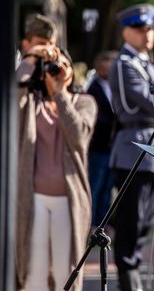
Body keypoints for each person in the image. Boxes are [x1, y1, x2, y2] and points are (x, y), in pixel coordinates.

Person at [16, 46, 97, 291]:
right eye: (51, 66)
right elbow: (12, 94)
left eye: (62, 65)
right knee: (33, 274)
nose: (56, 71)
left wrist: (60, 93)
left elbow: (79, 137)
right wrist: (31, 58)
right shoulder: (31, 102)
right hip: (33, 199)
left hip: (68, 200)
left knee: (66, 274)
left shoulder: (85, 102)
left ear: (71, 71)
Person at [109, 4, 154, 291]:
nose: (146, 34)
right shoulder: (125, 64)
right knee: (131, 223)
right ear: (126, 32)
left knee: (146, 222)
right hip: (133, 150)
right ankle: (129, 282)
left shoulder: (151, 63)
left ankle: (135, 280)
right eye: (139, 29)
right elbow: (148, 104)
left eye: (149, 29)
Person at [86, 50, 117, 228]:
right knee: (95, 188)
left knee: (107, 189)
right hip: (98, 147)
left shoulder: (115, 87)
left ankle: (102, 225)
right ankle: (90, 225)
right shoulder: (93, 88)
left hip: (112, 147)